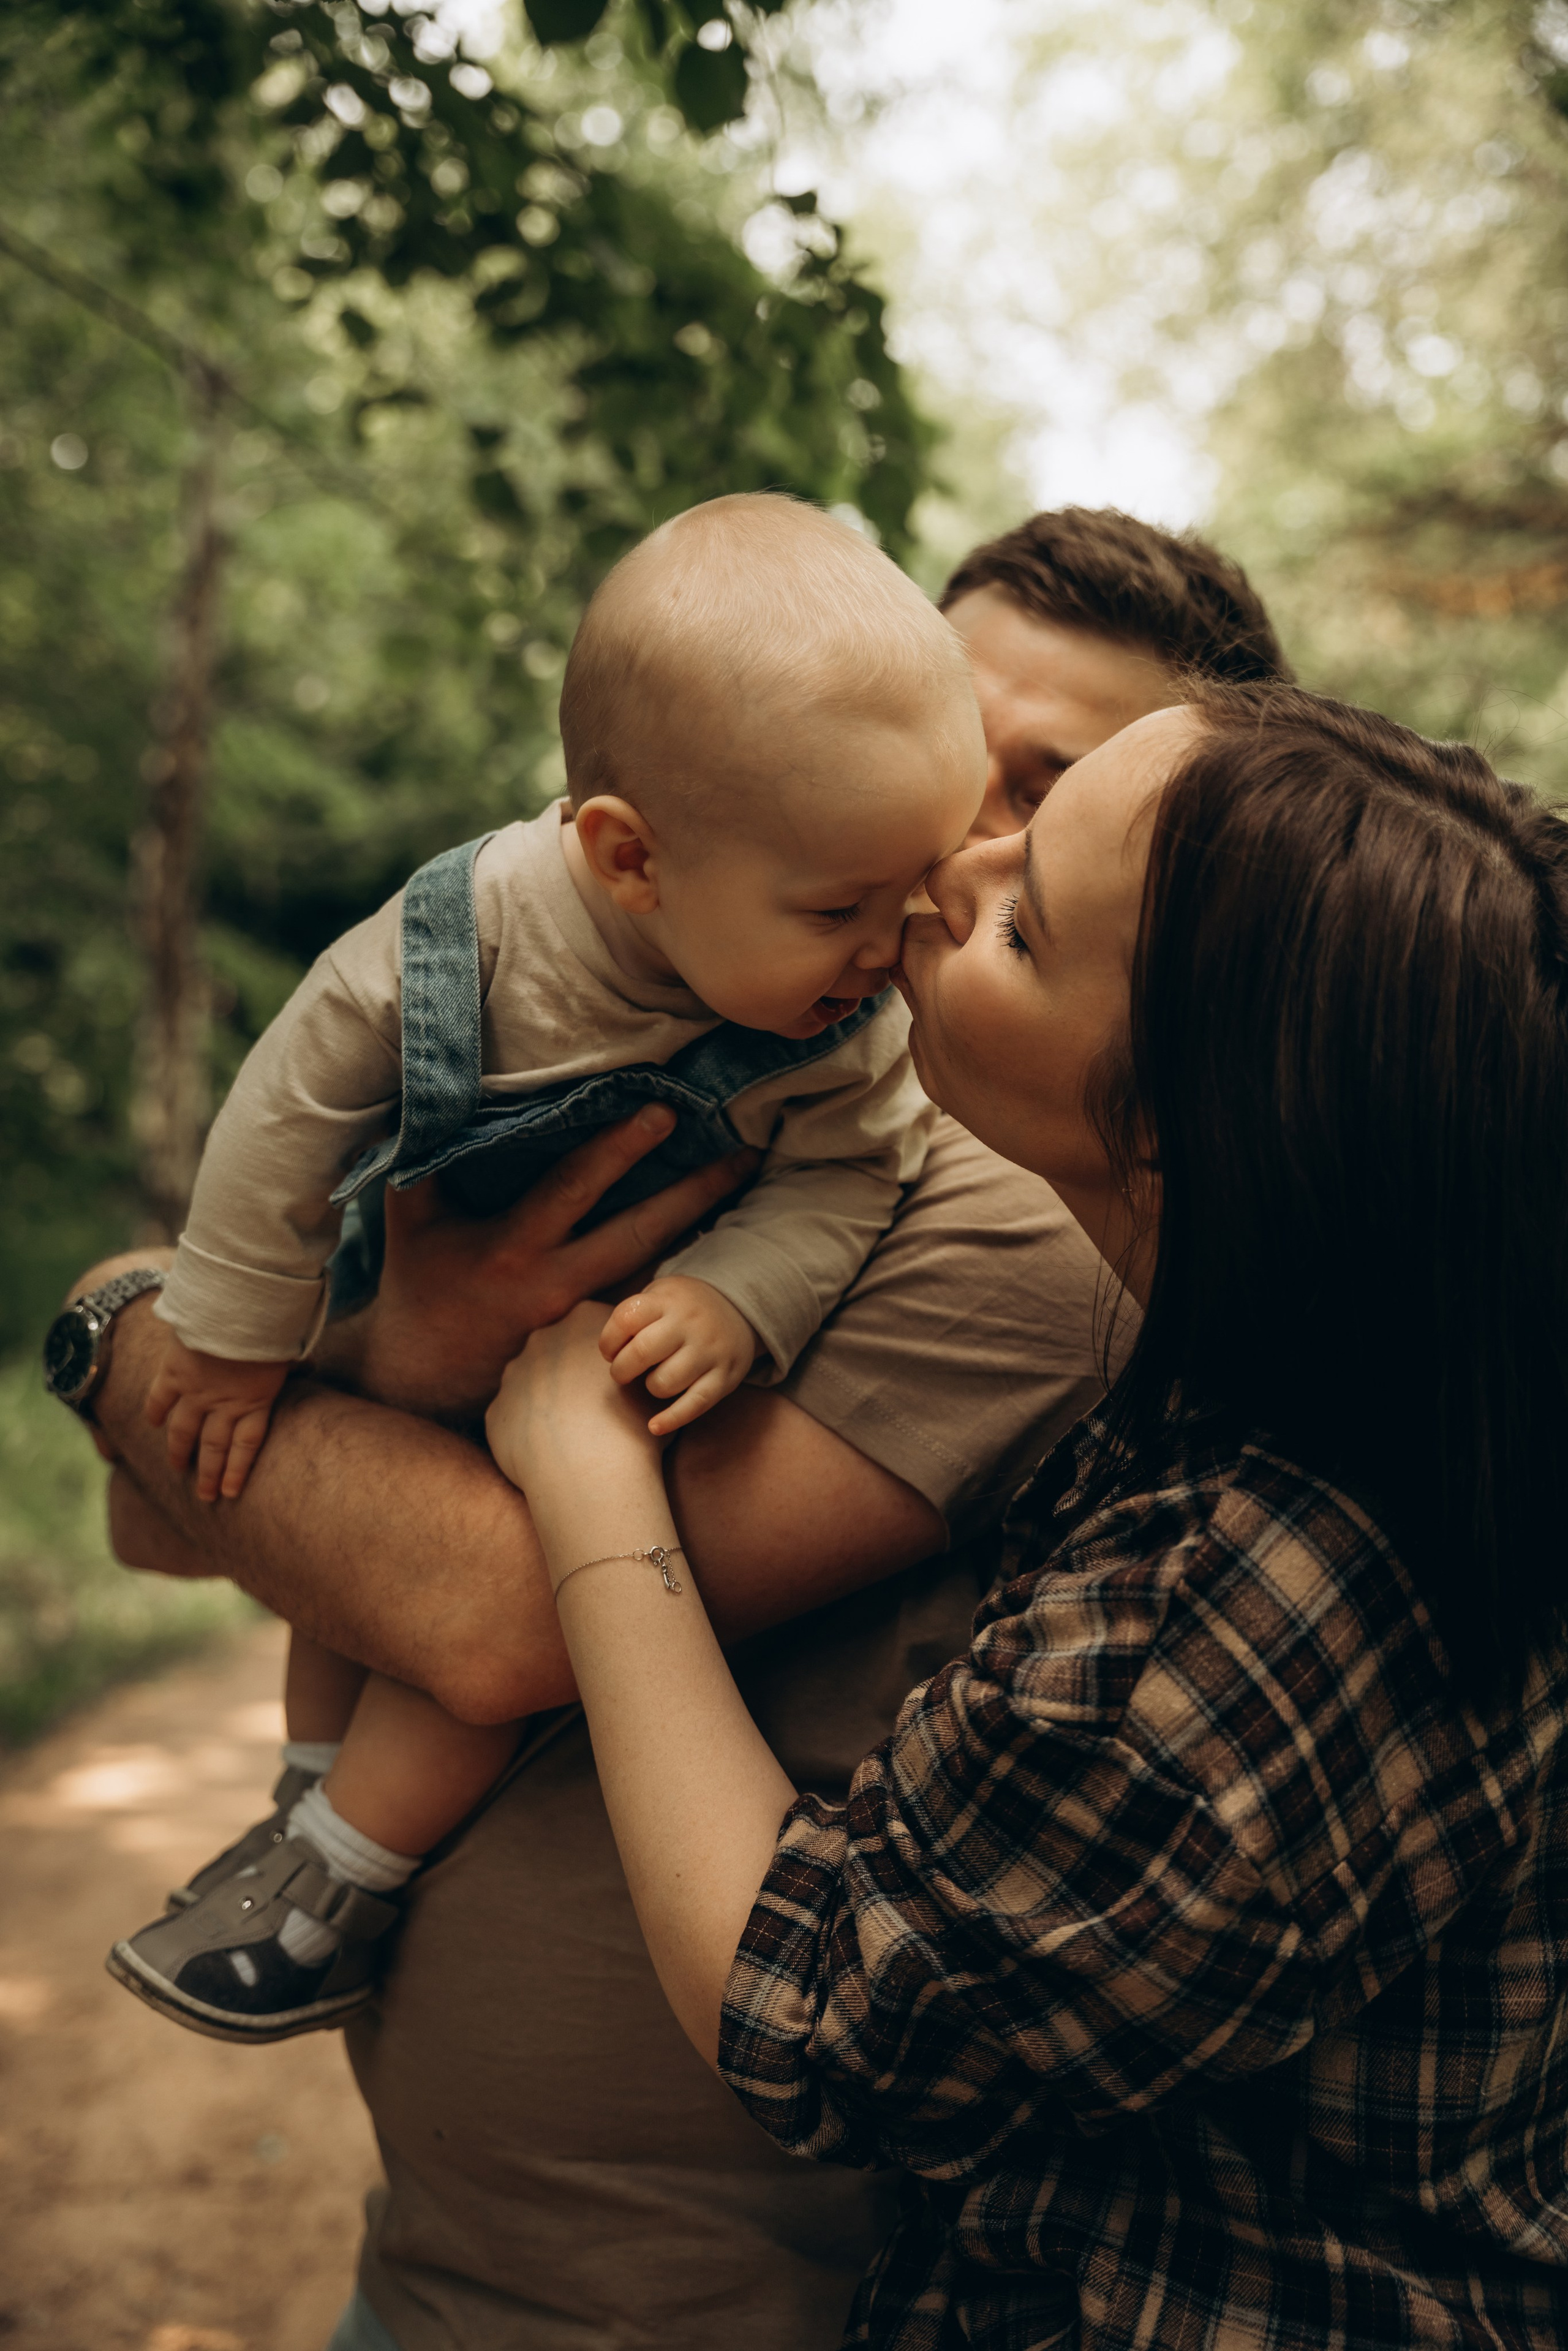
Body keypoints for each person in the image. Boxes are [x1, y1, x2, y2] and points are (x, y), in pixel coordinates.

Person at [56, 510, 1287, 2348]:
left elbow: (495, 1606)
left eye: (1048, 803)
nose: (955, 865)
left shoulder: (1038, 1219)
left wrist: (116, 1329)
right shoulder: (688, 1027)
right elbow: (167, 1528)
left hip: (692, 2294)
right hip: (443, 2259)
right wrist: (382, 1341)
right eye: (956, 768)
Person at [489, 685, 1568, 2350]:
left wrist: (589, 1478)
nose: (950, 874)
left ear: (1180, 1128)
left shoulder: (1232, 1635)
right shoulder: (1397, 1369)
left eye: (1026, 917)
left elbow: (821, 2000)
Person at [105, 495, 985, 2043]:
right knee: (349, 1575)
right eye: (841, 907)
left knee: (475, 1612)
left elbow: (852, 1171)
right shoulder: (468, 940)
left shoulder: (849, 1025)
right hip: (412, 1304)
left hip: (610, 1364)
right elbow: (290, 1103)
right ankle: (301, 1802)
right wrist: (236, 1329)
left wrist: (740, 1293)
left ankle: (339, 1869)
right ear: (628, 855)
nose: (892, 946)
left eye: (921, 882)